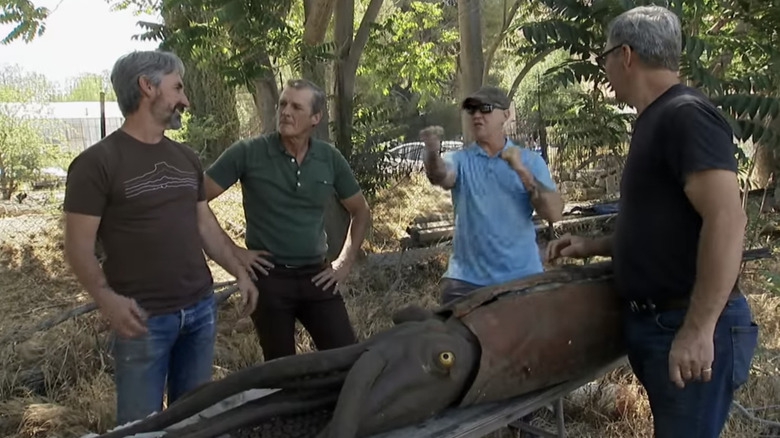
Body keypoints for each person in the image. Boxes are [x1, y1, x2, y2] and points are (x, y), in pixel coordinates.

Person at [545, 5, 758, 437]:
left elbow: (727, 219)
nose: (602, 68)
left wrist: (699, 330)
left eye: (603, 57)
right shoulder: (654, 119)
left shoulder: (685, 115)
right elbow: (664, 223)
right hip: (658, 323)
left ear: (625, 55)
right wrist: (592, 245)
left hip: (687, 323)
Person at [62, 50, 258, 427]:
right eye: (178, 87)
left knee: (196, 422)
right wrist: (106, 299)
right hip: (142, 320)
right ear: (147, 86)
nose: (185, 99)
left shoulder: (185, 157)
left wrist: (240, 272)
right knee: (140, 428)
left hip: (200, 310)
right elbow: (77, 247)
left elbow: (205, 226)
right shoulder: (96, 163)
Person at [204, 78, 371, 361]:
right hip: (269, 278)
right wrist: (235, 252)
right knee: (280, 368)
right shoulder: (248, 152)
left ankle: (337, 406)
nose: (285, 111)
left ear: (315, 117)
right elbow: (196, 199)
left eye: (296, 106)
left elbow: (360, 210)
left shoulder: (329, 158)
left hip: (318, 276)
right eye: (282, 104)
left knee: (347, 359)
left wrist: (343, 263)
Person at [422, 85, 564, 304]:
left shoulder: (529, 161)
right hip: (466, 282)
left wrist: (521, 171)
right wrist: (431, 153)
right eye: (471, 109)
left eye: (485, 108)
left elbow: (553, 213)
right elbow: (441, 175)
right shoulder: (460, 159)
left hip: (522, 277)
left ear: (505, 115)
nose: (477, 115)